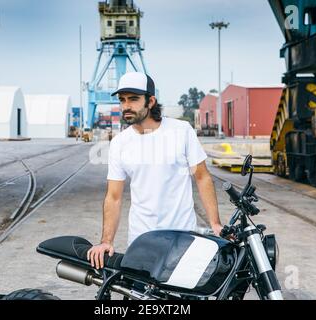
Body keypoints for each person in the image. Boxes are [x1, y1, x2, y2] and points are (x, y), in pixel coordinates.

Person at [87, 72, 223, 269]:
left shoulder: (181, 131)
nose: (126, 106)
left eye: (133, 99)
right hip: (142, 241)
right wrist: (106, 241)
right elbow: (114, 197)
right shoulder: (119, 143)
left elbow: (202, 178)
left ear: (150, 101)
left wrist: (215, 223)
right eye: (122, 100)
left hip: (183, 237)